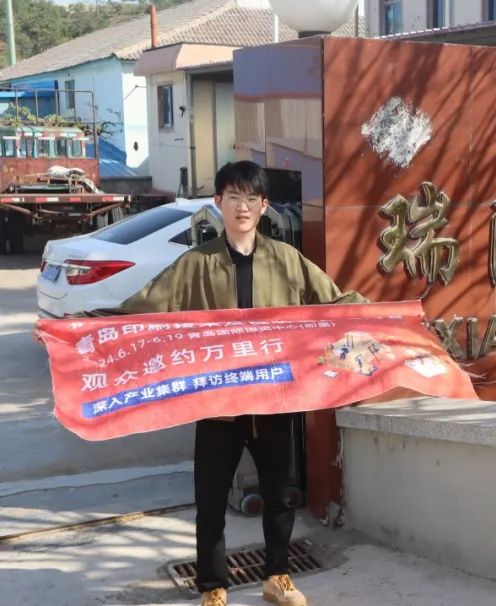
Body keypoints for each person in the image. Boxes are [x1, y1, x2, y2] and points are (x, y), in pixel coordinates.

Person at [106, 161, 366, 606]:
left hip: (273, 401)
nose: (242, 207)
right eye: (233, 197)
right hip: (218, 404)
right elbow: (143, 308)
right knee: (210, 501)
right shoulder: (196, 263)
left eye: (250, 198)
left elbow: (337, 301)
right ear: (218, 203)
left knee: (281, 494)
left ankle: (277, 577)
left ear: (264, 206)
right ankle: (213, 586)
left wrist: (386, 317)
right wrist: (75, 327)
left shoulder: (286, 260)